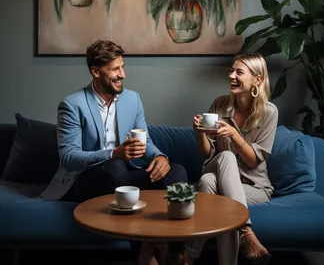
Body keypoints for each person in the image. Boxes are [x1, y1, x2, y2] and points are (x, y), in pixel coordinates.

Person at [40, 39, 188, 265]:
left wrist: (158, 157)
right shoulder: (72, 105)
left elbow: (144, 140)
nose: (122, 74)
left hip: (123, 177)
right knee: (115, 167)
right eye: (115, 69)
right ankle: (145, 249)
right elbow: (69, 158)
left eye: (123, 67)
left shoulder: (132, 99)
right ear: (95, 72)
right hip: (85, 179)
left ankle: (175, 251)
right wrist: (113, 154)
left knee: (176, 171)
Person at [182, 53, 278, 265]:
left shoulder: (269, 112)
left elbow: (254, 162)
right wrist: (199, 133)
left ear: (257, 79)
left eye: (239, 72)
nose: (232, 76)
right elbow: (208, 154)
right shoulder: (219, 104)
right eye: (231, 71)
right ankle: (247, 232)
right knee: (224, 156)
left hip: (254, 187)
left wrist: (234, 136)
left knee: (209, 185)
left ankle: (188, 257)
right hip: (218, 167)